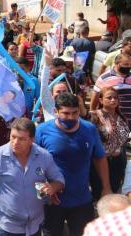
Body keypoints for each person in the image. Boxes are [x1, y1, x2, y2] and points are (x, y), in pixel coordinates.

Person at [35, 92, 112, 236]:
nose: (70, 117)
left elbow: (100, 158)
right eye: (65, 113)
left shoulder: (89, 129)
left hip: (82, 200)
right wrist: (43, 189)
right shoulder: (42, 131)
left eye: (74, 113)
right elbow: (33, 165)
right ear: (55, 112)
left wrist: (106, 188)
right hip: (52, 203)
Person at [0, 118, 65, 236]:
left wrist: (53, 187)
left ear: (32, 139)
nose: (15, 142)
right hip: (7, 227)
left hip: (35, 226)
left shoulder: (44, 156)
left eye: (21, 139)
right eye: (13, 137)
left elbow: (60, 180)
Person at [89, 87, 129, 201]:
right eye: (109, 98)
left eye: (115, 98)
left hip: (118, 161)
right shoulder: (95, 117)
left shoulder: (121, 117)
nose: (113, 100)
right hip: (101, 161)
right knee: (99, 193)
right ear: (101, 100)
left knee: (114, 193)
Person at [91, 52, 131, 122]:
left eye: (130, 64)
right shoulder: (104, 78)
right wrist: (92, 113)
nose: (128, 67)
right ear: (116, 64)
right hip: (113, 120)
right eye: (126, 64)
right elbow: (95, 96)